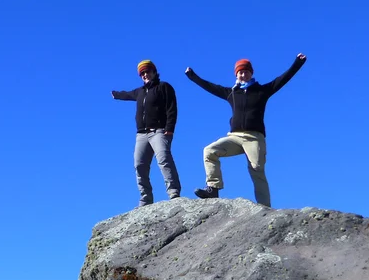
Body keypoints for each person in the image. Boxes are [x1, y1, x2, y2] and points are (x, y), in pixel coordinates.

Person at [185, 54, 307, 208]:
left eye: (245, 71)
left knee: (257, 170)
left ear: (251, 73)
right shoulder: (231, 93)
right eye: (240, 72)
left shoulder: (262, 91)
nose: (243, 75)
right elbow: (210, 87)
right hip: (234, 137)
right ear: (236, 74)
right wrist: (192, 76)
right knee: (209, 151)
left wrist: (298, 62)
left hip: (254, 138)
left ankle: (265, 207)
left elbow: (283, 79)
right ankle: (213, 189)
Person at [111, 60, 182, 206]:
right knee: (139, 165)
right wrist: (116, 94)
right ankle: (146, 198)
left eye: (147, 71)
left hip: (159, 131)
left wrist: (170, 129)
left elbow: (172, 108)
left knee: (164, 160)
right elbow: (128, 94)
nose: (145, 75)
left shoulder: (164, 87)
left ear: (154, 72)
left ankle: (173, 192)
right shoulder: (140, 92)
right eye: (142, 73)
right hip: (141, 135)